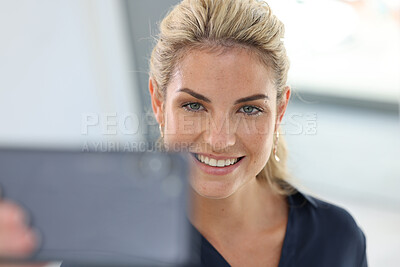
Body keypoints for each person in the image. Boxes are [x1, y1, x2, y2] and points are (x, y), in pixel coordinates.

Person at [0, 0, 367, 266]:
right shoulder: (108, 250)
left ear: (280, 111)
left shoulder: (338, 239)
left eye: (249, 109)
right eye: (194, 106)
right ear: (159, 104)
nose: (219, 139)